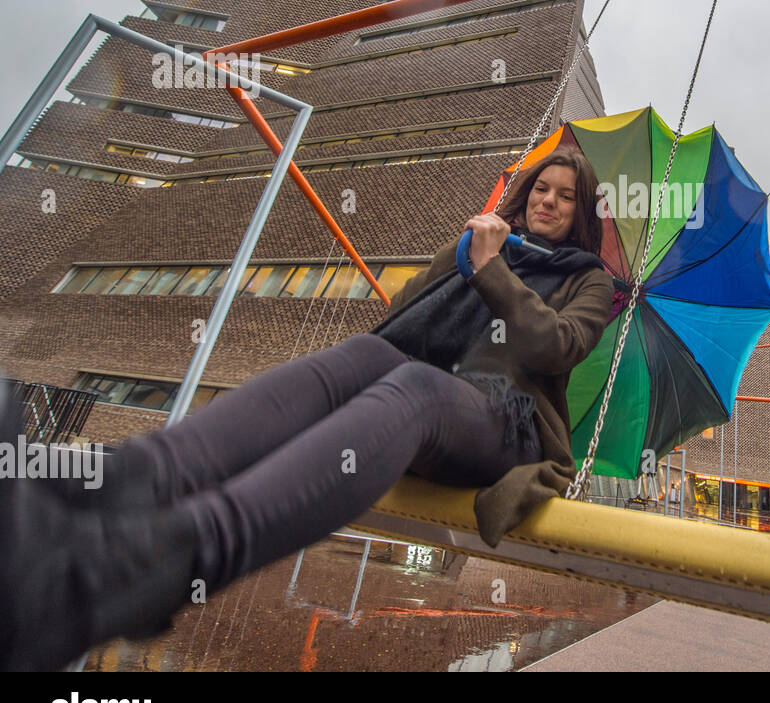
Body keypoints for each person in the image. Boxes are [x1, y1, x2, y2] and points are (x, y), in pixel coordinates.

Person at [0, 148, 614, 672]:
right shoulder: (482, 243)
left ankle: (138, 567)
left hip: (501, 428)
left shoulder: (589, 280)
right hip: (425, 393)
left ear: (580, 213)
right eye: (541, 188)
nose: (548, 201)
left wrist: (491, 270)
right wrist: (458, 259)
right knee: (367, 351)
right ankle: (121, 482)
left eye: (565, 196)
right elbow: (401, 318)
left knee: (418, 389)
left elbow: (554, 346)